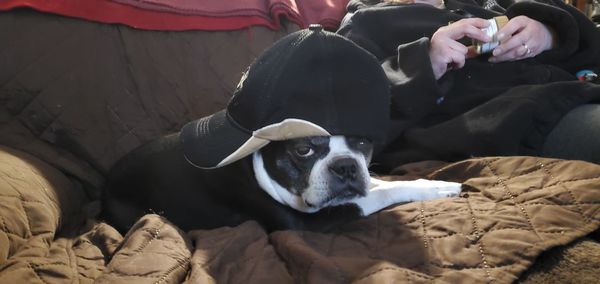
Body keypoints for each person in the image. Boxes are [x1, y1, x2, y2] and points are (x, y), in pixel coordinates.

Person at [336, 0, 600, 172]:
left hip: (577, 93)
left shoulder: (487, 3)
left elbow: (590, 46)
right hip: (519, 124)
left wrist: (548, 34)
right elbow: (347, 122)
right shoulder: (364, 24)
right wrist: (425, 64)